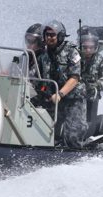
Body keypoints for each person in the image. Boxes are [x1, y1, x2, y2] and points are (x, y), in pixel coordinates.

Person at [39, 19, 88, 148]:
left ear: (60, 36)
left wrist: (60, 94)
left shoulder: (72, 51)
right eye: (47, 35)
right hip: (52, 99)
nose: (49, 38)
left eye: (52, 35)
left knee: (72, 136)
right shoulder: (43, 54)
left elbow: (75, 78)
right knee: (43, 130)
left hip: (73, 99)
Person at [78, 29, 103, 121]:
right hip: (71, 95)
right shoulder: (74, 58)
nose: (88, 50)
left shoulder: (101, 61)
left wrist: (97, 85)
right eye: (85, 47)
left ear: (96, 47)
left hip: (90, 97)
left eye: (91, 47)